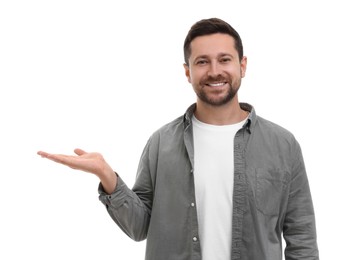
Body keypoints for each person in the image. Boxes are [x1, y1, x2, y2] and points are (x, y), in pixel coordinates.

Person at [37, 17, 319, 260]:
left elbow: (302, 238)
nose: (214, 71)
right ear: (188, 72)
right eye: (202, 62)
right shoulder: (161, 143)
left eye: (224, 60)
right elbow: (140, 227)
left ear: (242, 66)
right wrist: (107, 175)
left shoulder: (283, 145)